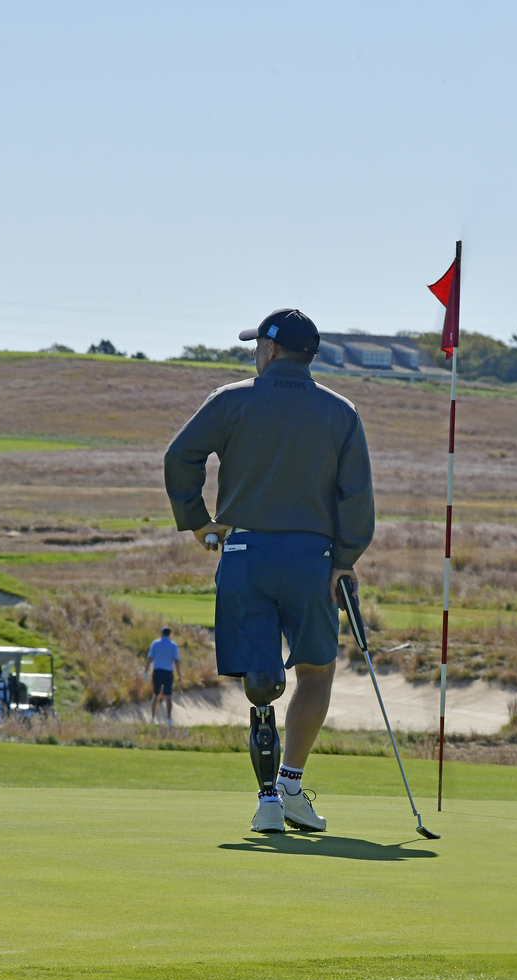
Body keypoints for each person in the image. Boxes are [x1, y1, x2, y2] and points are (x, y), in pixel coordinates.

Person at [164, 307, 374, 835]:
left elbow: (179, 457)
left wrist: (197, 523)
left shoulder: (232, 399)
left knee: (261, 681)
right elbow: (357, 499)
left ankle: (267, 802)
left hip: (244, 557)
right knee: (316, 672)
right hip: (313, 560)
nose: (254, 353)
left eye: (257, 344)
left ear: (272, 349)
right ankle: (290, 785)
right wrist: (345, 560)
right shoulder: (341, 412)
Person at [147, 626, 182, 725]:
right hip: (168, 672)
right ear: (169, 635)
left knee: (156, 695)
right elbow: (177, 661)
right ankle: (169, 720)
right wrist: (179, 675)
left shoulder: (155, 643)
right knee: (168, 696)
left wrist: (146, 671)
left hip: (157, 671)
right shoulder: (173, 645)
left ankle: (153, 718)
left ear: (162, 633)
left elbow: (149, 658)